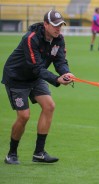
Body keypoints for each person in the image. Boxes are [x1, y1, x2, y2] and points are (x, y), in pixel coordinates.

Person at [1, 10, 75, 165]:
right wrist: (56, 79)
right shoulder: (30, 38)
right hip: (17, 78)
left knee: (49, 106)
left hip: (35, 77)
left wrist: (66, 73)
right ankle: (11, 154)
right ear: (46, 24)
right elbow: (36, 67)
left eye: (60, 25)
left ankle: (39, 153)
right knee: (24, 116)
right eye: (55, 25)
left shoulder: (59, 39)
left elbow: (60, 61)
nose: (58, 28)